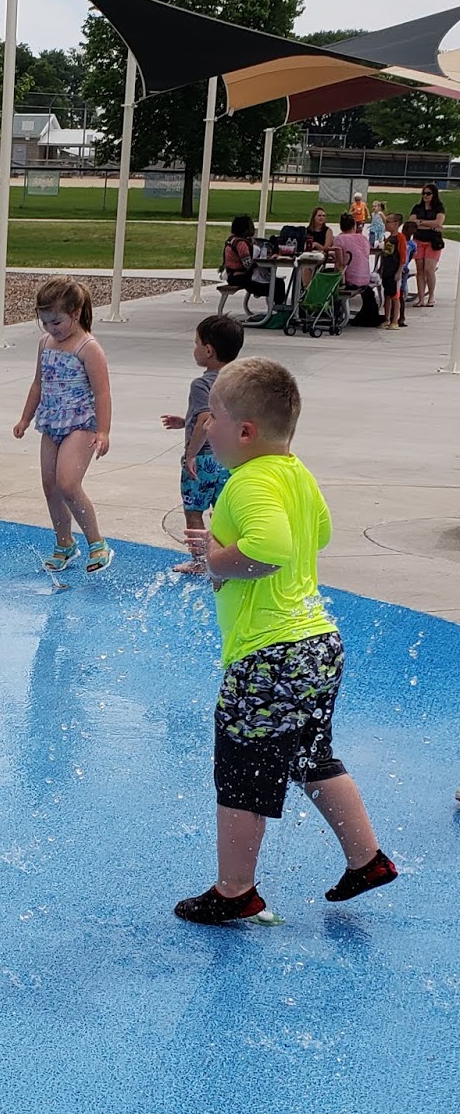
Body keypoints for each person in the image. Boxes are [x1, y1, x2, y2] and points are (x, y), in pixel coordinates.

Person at [175, 358, 396, 924]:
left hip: (269, 655)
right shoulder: (296, 474)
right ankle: (366, 858)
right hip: (316, 644)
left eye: (213, 417)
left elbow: (268, 550)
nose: (205, 425)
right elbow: (318, 533)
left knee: (242, 767)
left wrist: (214, 559)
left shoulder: (247, 482)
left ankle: (235, 891)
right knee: (310, 755)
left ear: (245, 432)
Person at [12, 276, 113, 574]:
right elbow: (38, 384)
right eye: (45, 323)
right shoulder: (45, 343)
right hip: (51, 422)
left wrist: (103, 431)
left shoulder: (88, 348)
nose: (51, 329)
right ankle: (64, 543)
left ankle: (97, 543)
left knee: (68, 484)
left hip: (80, 424)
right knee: (50, 485)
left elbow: (102, 392)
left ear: (75, 314)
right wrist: (25, 418)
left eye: (56, 322)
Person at [160, 313, 245, 574]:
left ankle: (199, 562)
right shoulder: (240, 381)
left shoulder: (202, 384)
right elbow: (222, 417)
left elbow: (205, 420)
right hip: (229, 459)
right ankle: (224, 559)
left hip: (203, 459)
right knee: (222, 512)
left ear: (208, 350)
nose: (194, 348)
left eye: (196, 343)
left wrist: (190, 454)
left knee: (194, 511)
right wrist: (184, 421)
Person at [223, 215, 284, 306]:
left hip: (236, 277)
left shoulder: (233, 240)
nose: (254, 228)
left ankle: (277, 307)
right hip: (241, 278)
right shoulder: (241, 244)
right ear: (245, 230)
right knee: (278, 284)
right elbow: (248, 264)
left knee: (276, 282)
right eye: (252, 226)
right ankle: (279, 308)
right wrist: (264, 260)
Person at [332, 212, 380, 324]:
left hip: (350, 280)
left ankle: (333, 310)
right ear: (354, 226)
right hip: (364, 278)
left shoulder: (339, 239)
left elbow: (340, 263)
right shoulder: (363, 238)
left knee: (327, 275)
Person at [410, 182, 446, 307]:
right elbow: (412, 222)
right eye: (424, 193)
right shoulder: (417, 208)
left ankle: (431, 296)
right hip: (418, 240)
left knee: (429, 269)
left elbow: (438, 222)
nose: (425, 196)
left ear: (434, 194)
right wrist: (429, 225)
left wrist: (420, 222)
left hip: (433, 241)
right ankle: (420, 298)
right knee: (419, 270)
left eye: (428, 193)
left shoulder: (439, 208)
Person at [378, 214, 407, 329]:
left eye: (388, 222)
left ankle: (395, 320)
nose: (386, 225)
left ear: (395, 224)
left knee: (395, 296)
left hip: (394, 271)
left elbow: (403, 256)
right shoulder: (389, 238)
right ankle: (387, 318)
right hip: (387, 271)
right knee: (387, 295)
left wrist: (399, 271)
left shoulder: (400, 238)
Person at [301, 206, 334, 292]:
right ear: (314, 217)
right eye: (319, 215)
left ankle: (307, 289)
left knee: (309, 267)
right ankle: (305, 288)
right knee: (304, 265)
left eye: (323, 216)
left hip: (321, 256)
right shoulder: (307, 230)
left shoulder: (328, 231)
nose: (321, 218)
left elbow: (326, 248)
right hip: (308, 255)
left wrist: (316, 244)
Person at [399, 220, 419, 328]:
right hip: (397, 268)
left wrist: (405, 265)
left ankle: (401, 317)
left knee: (401, 293)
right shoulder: (398, 240)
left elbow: (410, 256)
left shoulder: (412, 244)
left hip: (404, 269)